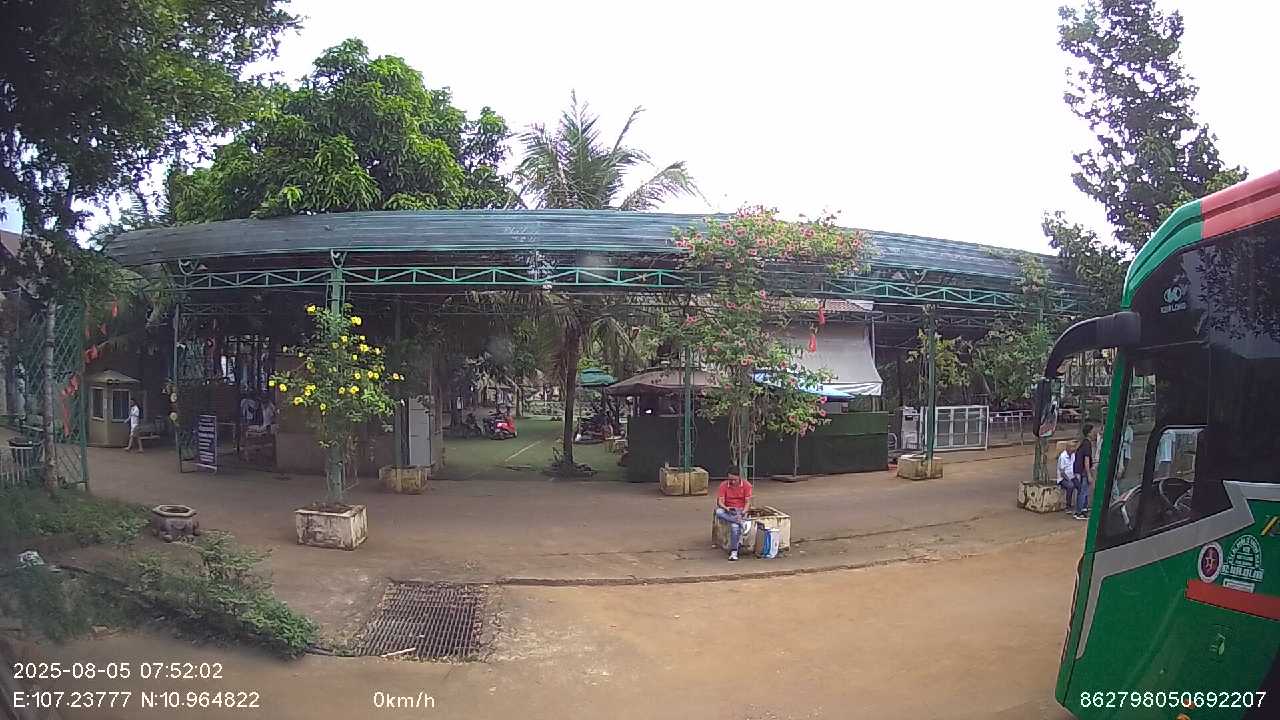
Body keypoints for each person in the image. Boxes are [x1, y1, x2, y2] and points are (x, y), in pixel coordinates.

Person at [714, 471, 753, 561]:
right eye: (730, 479)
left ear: (739, 477)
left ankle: (734, 552)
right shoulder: (723, 485)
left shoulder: (747, 485)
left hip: (740, 510)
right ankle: (740, 522)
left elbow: (748, 503)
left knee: (734, 527)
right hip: (728, 509)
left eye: (734, 480)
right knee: (718, 511)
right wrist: (726, 508)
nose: (732, 482)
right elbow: (720, 501)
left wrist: (743, 513)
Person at [1072, 424, 1095, 520]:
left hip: (1080, 470)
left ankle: (1083, 509)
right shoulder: (1087, 444)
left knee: (1083, 491)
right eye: (1093, 431)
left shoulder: (1083, 443)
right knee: (1083, 491)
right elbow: (1086, 459)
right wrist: (1089, 474)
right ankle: (1079, 511)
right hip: (1083, 471)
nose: (1094, 433)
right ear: (1089, 433)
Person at [1056, 440, 1078, 513]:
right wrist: (1069, 479)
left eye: (1074, 447)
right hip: (1063, 478)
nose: (1074, 449)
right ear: (1068, 448)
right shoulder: (1063, 456)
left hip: (1072, 476)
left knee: (1080, 485)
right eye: (1072, 447)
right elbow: (1062, 472)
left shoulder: (1073, 455)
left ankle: (1079, 505)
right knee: (1070, 486)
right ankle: (1068, 506)